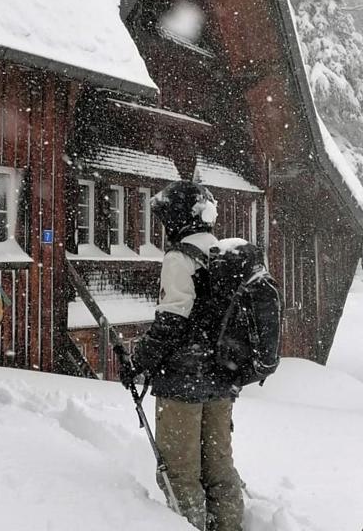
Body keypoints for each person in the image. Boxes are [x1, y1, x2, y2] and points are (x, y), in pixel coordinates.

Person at [122, 180, 243, 531]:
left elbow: (171, 323)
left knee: (181, 473)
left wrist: (137, 363)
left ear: (177, 218)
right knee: (219, 469)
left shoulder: (180, 258)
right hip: (222, 376)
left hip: (183, 381)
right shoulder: (225, 254)